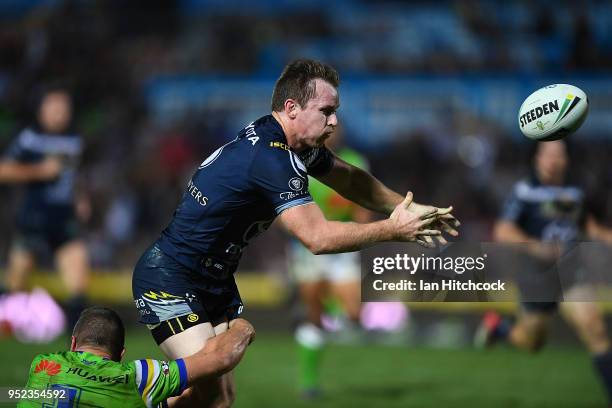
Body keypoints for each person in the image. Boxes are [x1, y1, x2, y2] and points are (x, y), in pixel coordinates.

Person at [132, 58, 459, 407]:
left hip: (211, 281)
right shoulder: (272, 158)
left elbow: (349, 178)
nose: (334, 121)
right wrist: (394, 229)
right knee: (212, 388)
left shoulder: (288, 145)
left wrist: (404, 208)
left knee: (216, 400)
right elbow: (316, 238)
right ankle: (113, 392)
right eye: (326, 111)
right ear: (292, 108)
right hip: (171, 278)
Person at [475, 140, 612, 403]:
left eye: (558, 154)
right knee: (531, 343)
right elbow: (503, 230)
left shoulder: (575, 191)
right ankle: (500, 329)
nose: (553, 159)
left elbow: (589, 226)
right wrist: (535, 246)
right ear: (537, 159)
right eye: (547, 154)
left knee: (594, 327)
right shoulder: (525, 192)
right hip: (536, 277)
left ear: (566, 159)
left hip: (571, 272)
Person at [18, 306, 255, 407]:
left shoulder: (42, 364)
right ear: (121, 355)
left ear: (73, 344)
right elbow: (220, 358)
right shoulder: (140, 377)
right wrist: (242, 327)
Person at [288, 131, 371, 397]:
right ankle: (309, 384)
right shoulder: (296, 163)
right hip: (309, 248)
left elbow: (363, 203)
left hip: (342, 245)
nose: (329, 130)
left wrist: (362, 234)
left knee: (355, 313)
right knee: (313, 317)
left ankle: (333, 311)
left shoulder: (353, 161)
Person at [0, 86, 89, 329]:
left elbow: (74, 175)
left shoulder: (75, 138)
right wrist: (39, 171)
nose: (60, 113)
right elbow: (4, 170)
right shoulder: (29, 137)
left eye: (64, 108)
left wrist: (81, 197)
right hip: (35, 218)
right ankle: (8, 329)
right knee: (16, 282)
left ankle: (76, 344)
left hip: (64, 219)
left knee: (78, 283)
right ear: (42, 109)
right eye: (54, 107)